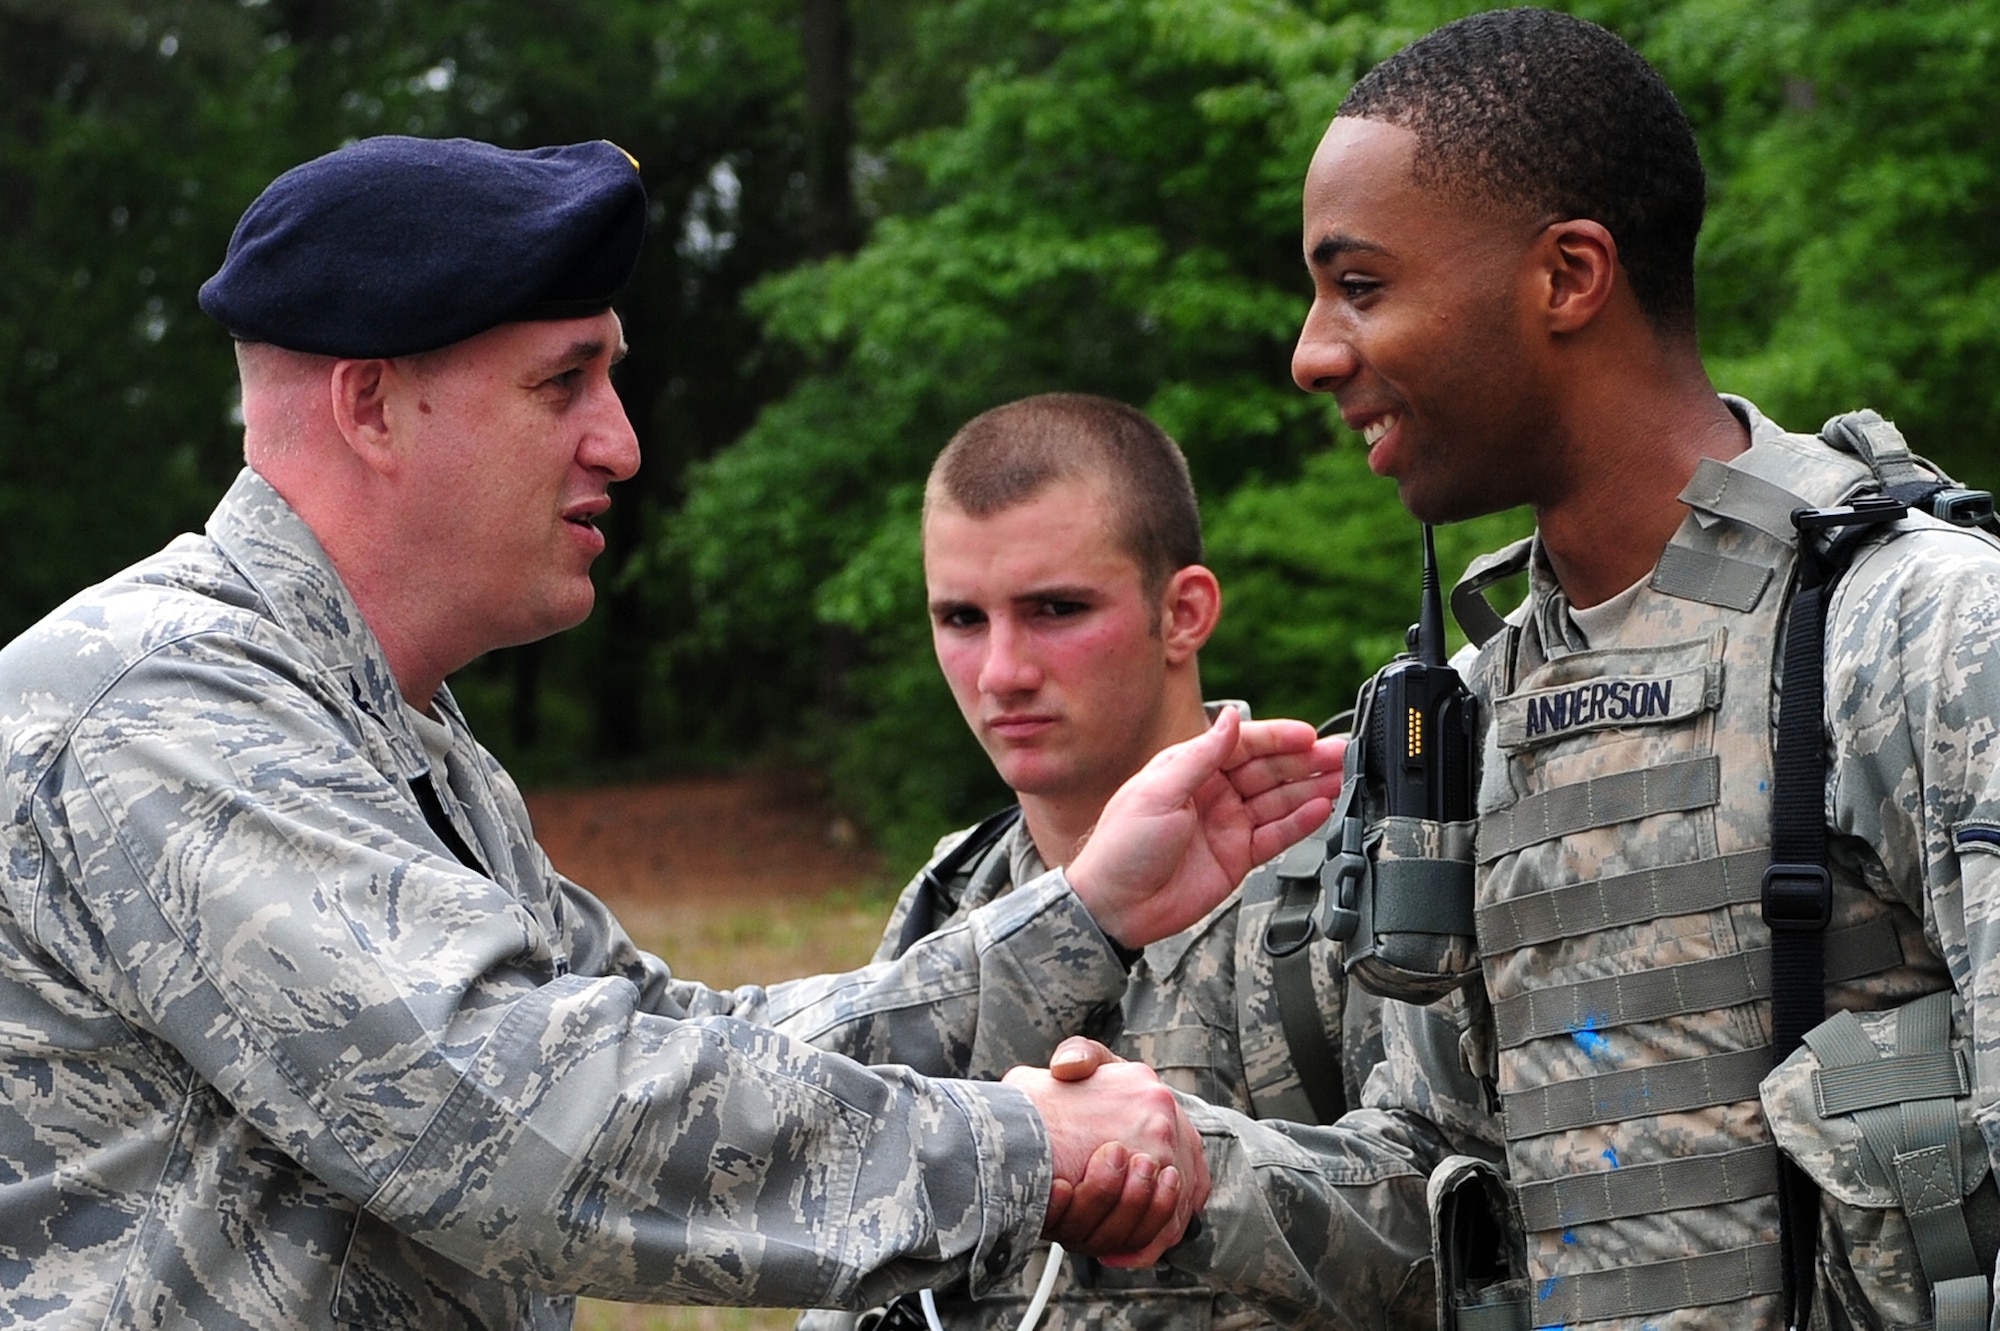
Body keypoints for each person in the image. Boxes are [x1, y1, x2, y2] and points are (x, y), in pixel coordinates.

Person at [0, 135, 1345, 1331]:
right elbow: (520, 1120)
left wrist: (1083, 915)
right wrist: (1023, 1146)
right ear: (371, 405)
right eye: (562, 383)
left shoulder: (395, 729)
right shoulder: (166, 703)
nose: (621, 443)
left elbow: (671, 1035)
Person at [1277, 7, 2000, 1328]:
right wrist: (1113, 1160)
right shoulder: (1479, 705)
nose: (1314, 350)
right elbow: (1427, 1176)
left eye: (1361, 285)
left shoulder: (1917, 632)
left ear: (1567, 277)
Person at [800, 392, 1397, 1331]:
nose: (1001, 671)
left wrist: (1201, 1176)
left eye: (1055, 609)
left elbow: (1462, 1225)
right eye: (961, 617)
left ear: (1184, 613)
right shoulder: (952, 907)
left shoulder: (1340, 882)